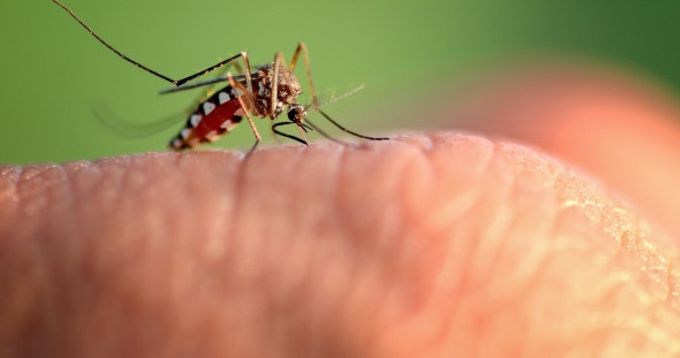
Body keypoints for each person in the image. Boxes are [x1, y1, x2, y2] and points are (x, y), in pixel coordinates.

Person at [1, 65, 679, 356]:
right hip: (220, 106)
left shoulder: (293, 100)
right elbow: (264, 91)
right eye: (297, 111)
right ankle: (172, 91)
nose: (298, 114)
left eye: (298, 112)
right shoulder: (263, 98)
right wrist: (254, 126)